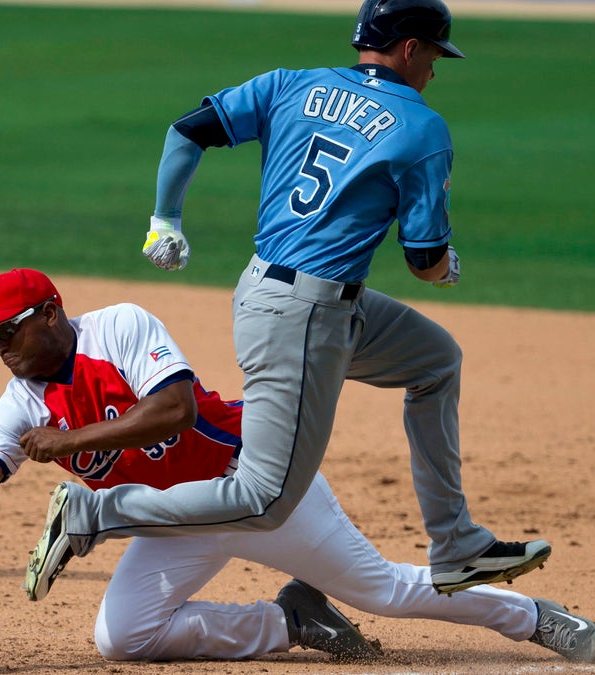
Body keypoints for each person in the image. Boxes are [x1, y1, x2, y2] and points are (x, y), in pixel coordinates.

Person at [29, 0, 551, 602]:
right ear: (409, 47)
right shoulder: (422, 128)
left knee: (436, 361)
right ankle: (92, 515)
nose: (434, 68)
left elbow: (188, 129)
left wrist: (165, 220)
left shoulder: (289, 85)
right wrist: (446, 268)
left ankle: (455, 545)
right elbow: (423, 259)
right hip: (305, 319)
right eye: (434, 53)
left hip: (289, 297)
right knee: (264, 498)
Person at [0, 268, 595, 664]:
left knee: (383, 588)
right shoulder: (20, 400)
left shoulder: (117, 327)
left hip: (258, 482)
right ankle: (288, 620)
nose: (0, 345)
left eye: (9, 329)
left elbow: (177, 411)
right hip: (175, 523)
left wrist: (75, 438)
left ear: (52, 313)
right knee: (122, 638)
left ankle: (537, 619)